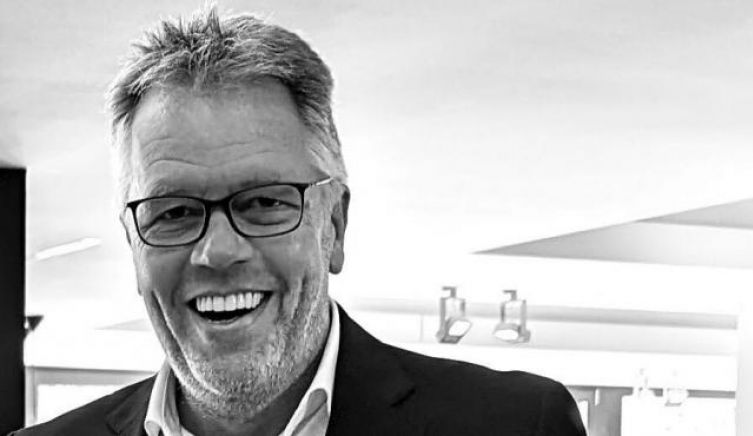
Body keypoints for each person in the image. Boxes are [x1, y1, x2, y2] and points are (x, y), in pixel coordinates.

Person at [12, 7, 585, 436]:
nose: (218, 251)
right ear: (133, 244)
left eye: (264, 203)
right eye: (175, 212)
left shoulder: (514, 424)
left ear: (333, 226)